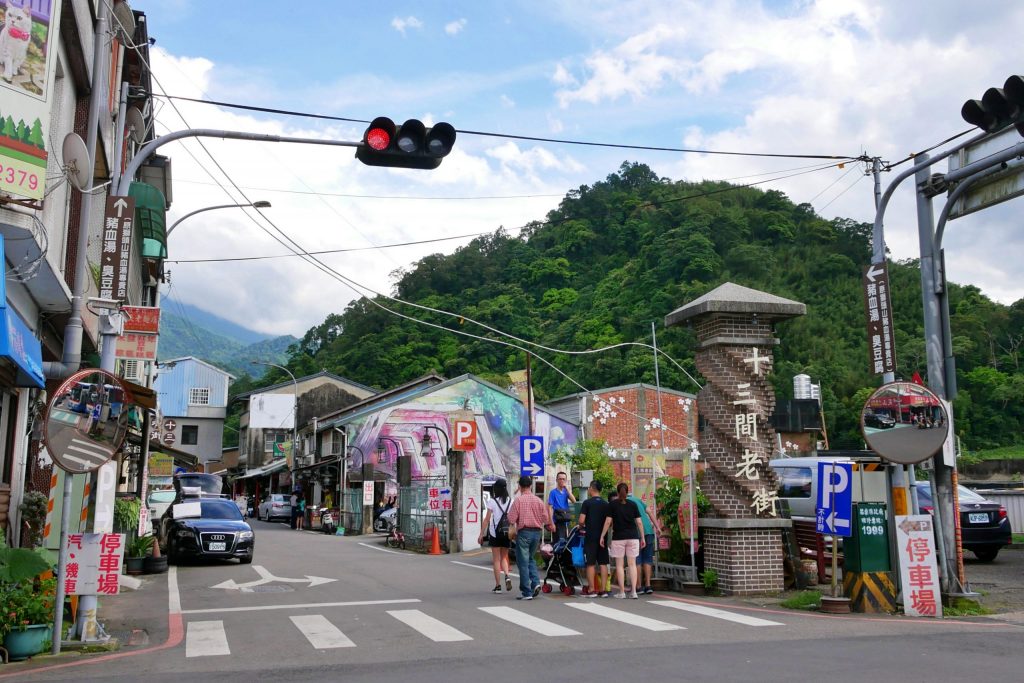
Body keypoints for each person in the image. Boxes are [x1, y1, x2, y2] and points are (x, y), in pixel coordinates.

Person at [508, 475, 552, 600]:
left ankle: (526, 592)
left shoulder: (518, 500)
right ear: (531, 486)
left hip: (524, 532)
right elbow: (545, 519)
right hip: (536, 533)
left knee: (523, 562)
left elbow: (511, 518)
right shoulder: (538, 500)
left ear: (520, 486)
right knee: (531, 559)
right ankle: (536, 582)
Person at [600, 482, 645, 599]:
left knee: (620, 565)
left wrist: (602, 535)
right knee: (632, 564)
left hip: (618, 538)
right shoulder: (633, 504)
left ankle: (621, 592)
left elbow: (608, 522)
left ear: (618, 491)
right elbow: (639, 522)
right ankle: (634, 591)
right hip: (633, 537)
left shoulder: (612, 505)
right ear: (627, 491)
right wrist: (643, 537)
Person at [478, 479, 513, 593]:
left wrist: (481, 534)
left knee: (496, 560)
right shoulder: (510, 501)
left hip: (495, 533)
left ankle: (498, 586)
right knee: (504, 557)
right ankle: (507, 575)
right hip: (507, 533)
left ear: (496, 488)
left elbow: (487, 519)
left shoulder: (492, 501)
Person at [578, 480, 610, 597]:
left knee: (590, 563)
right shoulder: (606, 504)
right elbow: (609, 522)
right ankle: (603, 590)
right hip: (603, 537)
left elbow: (581, 520)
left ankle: (591, 589)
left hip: (590, 536)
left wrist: (581, 525)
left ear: (591, 488)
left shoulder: (587, 503)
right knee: (603, 563)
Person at [626, 491, 659, 595]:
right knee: (647, 559)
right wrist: (657, 527)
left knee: (637, 560)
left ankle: (639, 586)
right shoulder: (638, 500)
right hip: (649, 531)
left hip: (637, 533)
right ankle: (648, 585)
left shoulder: (625, 502)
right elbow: (650, 512)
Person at [547, 471, 577, 544]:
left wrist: (567, 489)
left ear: (566, 480)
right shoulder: (553, 492)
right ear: (557, 480)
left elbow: (574, 501)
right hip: (557, 521)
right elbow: (550, 508)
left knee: (565, 543)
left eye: (563, 479)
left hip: (565, 520)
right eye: (560, 479)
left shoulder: (566, 492)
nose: (562, 480)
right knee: (558, 543)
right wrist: (551, 523)